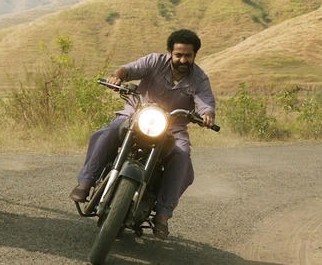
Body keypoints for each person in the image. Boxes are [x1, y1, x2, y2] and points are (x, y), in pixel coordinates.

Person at [69, 29, 216, 240]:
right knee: (108, 132)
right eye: (178, 55)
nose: (183, 60)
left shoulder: (199, 79)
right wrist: (118, 76)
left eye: (188, 55)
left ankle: (163, 214)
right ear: (170, 52)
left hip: (173, 127)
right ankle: (86, 182)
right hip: (136, 114)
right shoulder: (154, 61)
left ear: (195, 55)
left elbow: (206, 104)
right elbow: (128, 70)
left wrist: (207, 115)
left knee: (182, 155)